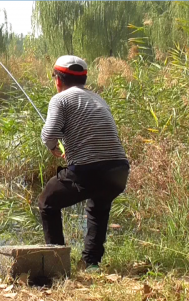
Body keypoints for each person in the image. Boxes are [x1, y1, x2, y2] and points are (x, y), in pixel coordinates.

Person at [38, 55, 130, 272]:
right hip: (119, 169)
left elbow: (50, 133)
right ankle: (91, 264)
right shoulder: (99, 99)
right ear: (84, 79)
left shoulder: (60, 99)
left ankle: (57, 263)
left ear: (58, 80)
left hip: (90, 169)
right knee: (99, 207)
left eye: (54, 78)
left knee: (47, 201)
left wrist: (52, 146)